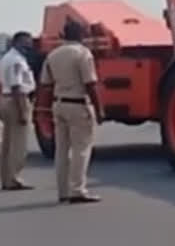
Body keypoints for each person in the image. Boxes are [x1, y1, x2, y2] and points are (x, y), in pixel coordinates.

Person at [39, 20, 104, 204]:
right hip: (78, 104)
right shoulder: (83, 54)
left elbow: (46, 84)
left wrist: (42, 110)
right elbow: (90, 83)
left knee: (61, 149)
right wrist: (99, 110)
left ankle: (63, 191)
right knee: (81, 149)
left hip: (58, 104)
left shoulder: (53, 55)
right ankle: (77, 189)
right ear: (81, 34)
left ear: (63, 35)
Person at [0, 31, 36, 190]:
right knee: (18, 144)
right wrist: (22, 111)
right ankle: (14, 178)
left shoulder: (7, 58)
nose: (29, 46)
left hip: (7, 99)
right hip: (16, 101)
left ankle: (7, 178)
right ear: (17, 42)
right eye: (26, 43)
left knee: (7, 143)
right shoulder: (15, 60)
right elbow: (17, 86)